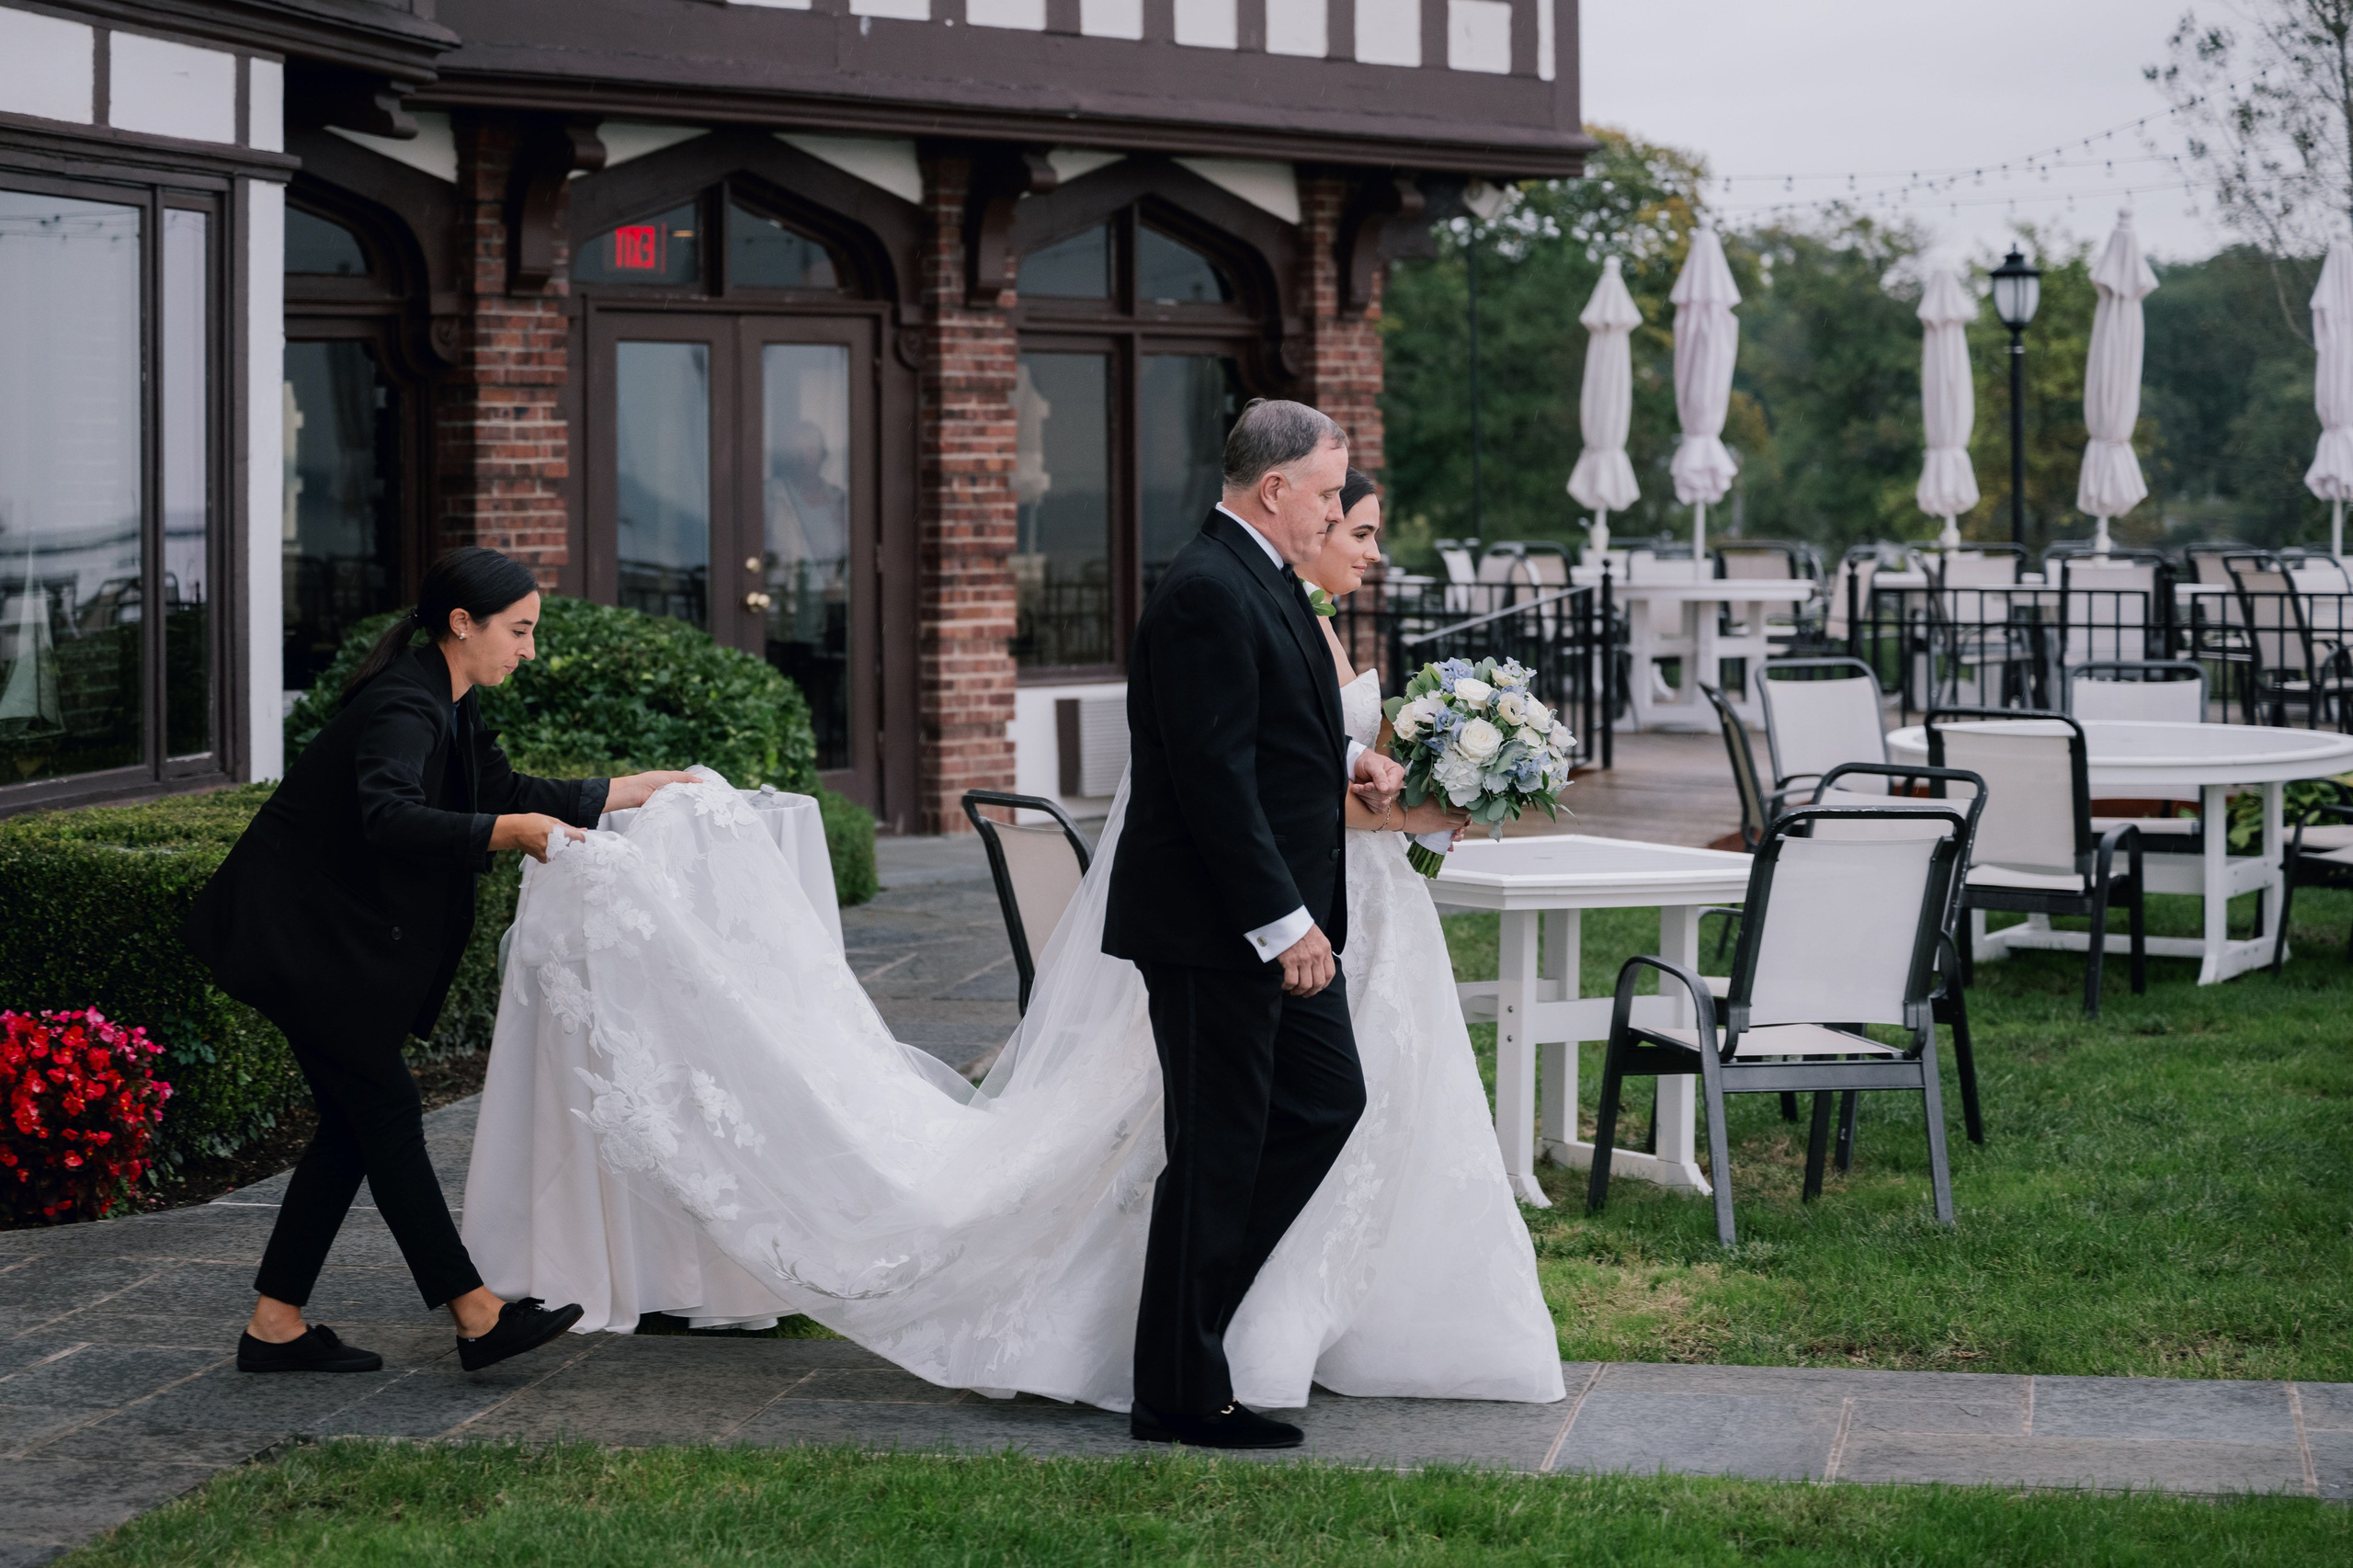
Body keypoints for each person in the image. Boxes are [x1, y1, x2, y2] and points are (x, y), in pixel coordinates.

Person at [459, 407, 1563, 1433]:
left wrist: (1353, 758)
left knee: (1321, 1104)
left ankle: (1190, 1334)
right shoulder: (1204, 592)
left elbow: (1277, 737)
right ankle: (1182, 1383)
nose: (1338, 513)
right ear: (1275, 489)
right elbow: (1212, 781)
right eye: (1327, 494)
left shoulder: (1269, 579)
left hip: (1275, 916)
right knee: (1218, 1151)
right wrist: (1285, 923)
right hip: (1217, 927)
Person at [184, 547, 694, 1375]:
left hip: (310, 943)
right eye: (519, 631)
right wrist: (509, 834)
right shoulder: (403, 706)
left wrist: (627, 788)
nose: (528, 650)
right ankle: (477, 1314)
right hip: (292, 944)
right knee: (384, 1113)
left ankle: (274, 1325)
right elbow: (392, 816)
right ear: (464, 623)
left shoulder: (448, 702)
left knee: (355, 1128)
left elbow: (502, 789)